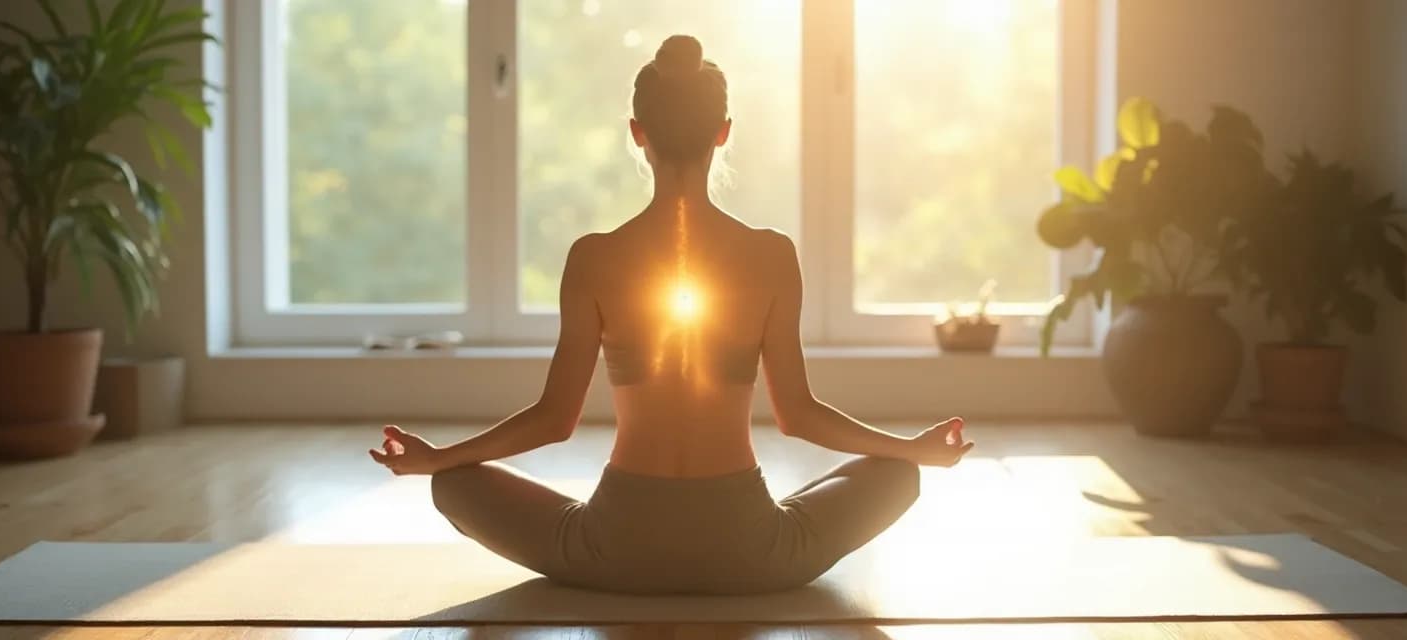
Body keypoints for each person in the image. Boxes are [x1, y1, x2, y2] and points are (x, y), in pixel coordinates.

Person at [369, 34, 974, 595]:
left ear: (637, 132)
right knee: (898, 475)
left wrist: (438, 459)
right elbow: (800, 417)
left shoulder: (594, 258)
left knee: (454, 484)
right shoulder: (770, 255)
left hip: (613, 548)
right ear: (723, 132)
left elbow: (555, 421)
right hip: (751, 551)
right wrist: (909, 448)